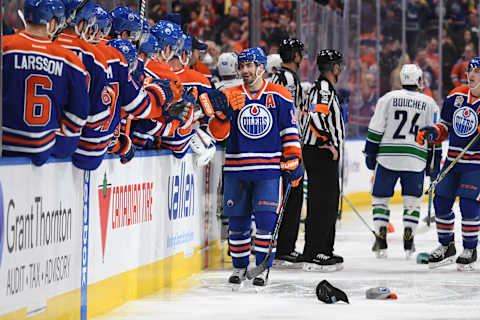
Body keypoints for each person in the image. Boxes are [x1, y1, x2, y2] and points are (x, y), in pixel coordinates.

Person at [209, 47, 303, 286]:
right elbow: (218, 134)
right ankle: (239, 268)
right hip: (236, 170)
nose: (245, 70)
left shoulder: (279, 94)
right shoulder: (230, 94)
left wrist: (293, 157)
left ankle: (261, 267)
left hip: (268, 171)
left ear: (261, 68)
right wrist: (223, 113)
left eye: (250, 65)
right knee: (238, 223)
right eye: (242, 66)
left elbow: (289, 130)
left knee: (265, 222)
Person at [365, 64, 440, 259]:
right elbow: (435, 138)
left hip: (387, 156)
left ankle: (381, 236)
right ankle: (409, 238)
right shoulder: (429, 103)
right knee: (412, 202)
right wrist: (434, 163)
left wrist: (370, 153)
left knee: (380, 199)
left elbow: (375, 129)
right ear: (419, 81)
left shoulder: (387, 99)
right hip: (415, 158)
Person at [2, 0, 89, 166]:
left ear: (26, 18)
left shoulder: (6, 46)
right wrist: (58, 138)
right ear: (53, 22)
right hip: (42, 149)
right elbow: (80, 113)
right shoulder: (70, 60)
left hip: (6, 145)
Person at [418, 57, 480, 271]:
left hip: (476, 164)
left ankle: (470, 249)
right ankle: (447, 246)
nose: (471, 75)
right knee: (441, 201)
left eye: (477, 71)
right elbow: (445, 126)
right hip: (453, 162)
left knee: (469, 205)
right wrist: (433, 132)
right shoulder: (456, 96)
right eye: (470, 70)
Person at [301, 49, 345, 271]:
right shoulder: (324, 89)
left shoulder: (322, 88)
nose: (340, 69)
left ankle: (323, 249)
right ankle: (315, 251)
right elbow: (317, 116)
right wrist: (326, 141)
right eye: (339, 65)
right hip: (320, 152)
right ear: (334, 67)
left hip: (319, 151)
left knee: (327, 202)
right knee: (322, 202)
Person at [270, 38, 305, 265]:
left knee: (280, 196)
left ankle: (274, 243)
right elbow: (289, 112)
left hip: (274, 143)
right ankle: (285, 246)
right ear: (295, 56)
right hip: (288, 144)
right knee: (293, 195)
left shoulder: (275, 76)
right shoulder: (288, 79)